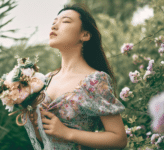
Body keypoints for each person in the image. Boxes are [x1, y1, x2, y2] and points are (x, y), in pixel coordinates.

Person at [25, 3, 127, 150]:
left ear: (85, 35)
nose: (54, 26)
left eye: (65, 21)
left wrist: (67, 132)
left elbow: (119, 139)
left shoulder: (95, 80)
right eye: (54, 22)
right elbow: (46, 138)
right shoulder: (45, 80)